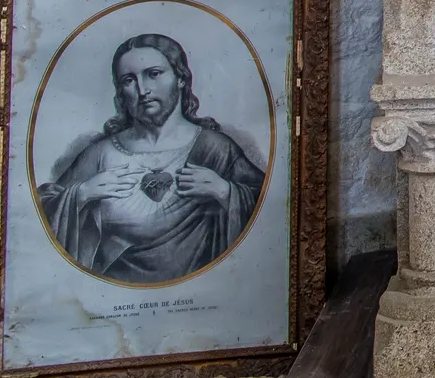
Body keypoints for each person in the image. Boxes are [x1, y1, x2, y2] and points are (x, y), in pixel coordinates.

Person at [39, 34, 266, 284]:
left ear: (180, 78)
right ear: (121, 91)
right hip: (114, 295)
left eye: (154, 74)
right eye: (129, 80)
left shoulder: (215, 149)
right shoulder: (100, 153)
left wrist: (224, 191)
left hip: (199, 293)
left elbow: (270, 207)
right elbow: (39, 214)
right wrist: (81, 194)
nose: (142, 90)